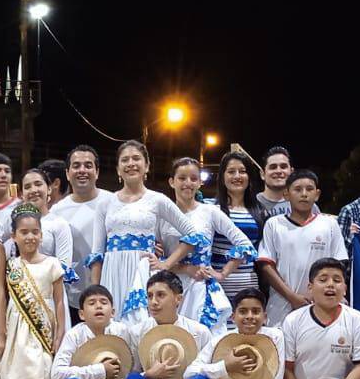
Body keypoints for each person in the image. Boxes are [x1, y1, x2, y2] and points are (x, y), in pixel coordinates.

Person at [99, 140, 208, 322]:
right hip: (112, 272)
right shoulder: (105, 203)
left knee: (143, 326)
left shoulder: (157, 199)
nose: (131, 163)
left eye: (136, 158)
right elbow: (96, 253)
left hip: (143, 271)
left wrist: (166, 264)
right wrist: (96, 292)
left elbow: (193, 234)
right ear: (118, 169)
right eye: (125, 160)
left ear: (147, 166)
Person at [0, 207, 65, 379]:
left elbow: (59, 302)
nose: (30, 237)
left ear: (41, 234)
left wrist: (59, 334)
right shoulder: (11, 266)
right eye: (24, 232)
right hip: (18, 330)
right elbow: (2, 299)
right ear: (14, 236)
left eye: (35, 232)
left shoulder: (52, 264)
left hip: (43, 330)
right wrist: (2, 334)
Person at [165, 157, 251, 333]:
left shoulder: (209, 211)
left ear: (200, 182)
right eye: (182, 178)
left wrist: (222, 273)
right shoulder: (162, 214)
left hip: (200, 286)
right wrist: (184, 268)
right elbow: (157, 258)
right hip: (169, 288)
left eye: (193, 178)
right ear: (172, 182)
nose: (188, 183)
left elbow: (244, 243)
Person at [255, 170, 347, 327]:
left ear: (317, 194)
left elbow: (338, 265)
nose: (304, 194)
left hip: (321, 305)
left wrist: (322, 294)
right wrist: (291, 296)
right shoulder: (274, 224)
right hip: (281, 307)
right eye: (297, 189)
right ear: (286, 194)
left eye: (309, 189)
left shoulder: (329, 224)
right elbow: (266, 265)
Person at [50, 145, 115, 324]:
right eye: (76, 165)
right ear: (67, 173)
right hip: (72, 299)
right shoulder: (57, 211)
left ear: (97, 172)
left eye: (88, 165)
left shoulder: (114, 202)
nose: (82, 170)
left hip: (111, 292)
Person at [212, 151, 265, 296]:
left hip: (248, 287)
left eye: (242, 171)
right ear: (222, 176)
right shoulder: (210, 208)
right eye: (231, 172)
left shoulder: (260, 211)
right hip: (216, 287)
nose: (237, 176)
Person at [14, 168, 74, 280]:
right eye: (27, 187)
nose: (33, 190)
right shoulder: (15, 224)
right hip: (20, 286)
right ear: (21, 194)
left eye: (38, 184)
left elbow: (64, 266)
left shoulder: (59, 224)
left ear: (49, 189)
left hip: (51, 287)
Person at [257, 146, 293, 218]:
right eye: (273, 167)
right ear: (262, 174)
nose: (278, 171)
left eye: (283, 167)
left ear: (291, 172)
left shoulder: (306, 204)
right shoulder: (250, 205)